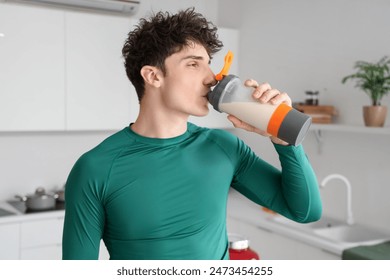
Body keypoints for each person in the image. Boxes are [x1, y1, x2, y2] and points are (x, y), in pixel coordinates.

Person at [62, 7, 322, 260]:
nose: (211, 78)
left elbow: (305, 211)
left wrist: (283, 138)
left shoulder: (224, 147)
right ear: (153, 76)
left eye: (209, 64)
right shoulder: (95, 168)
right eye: (194, 64)